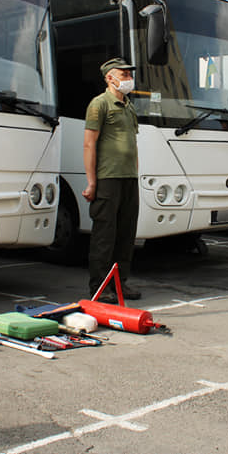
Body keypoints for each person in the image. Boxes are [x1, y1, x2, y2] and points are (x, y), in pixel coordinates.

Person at [82, 57, 142, 301]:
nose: (129, 78)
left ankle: (120, 282)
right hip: (108, 178)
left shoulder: (129, 106)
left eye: (130, 74)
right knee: (104, 236)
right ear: (110, 77)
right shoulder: (99, 104)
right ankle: (99, 288)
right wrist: (92, 182)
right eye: (124, 74)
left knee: (126, 235)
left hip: (129, 178)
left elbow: (132, 144)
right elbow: (89, 144)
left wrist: (136, 173)